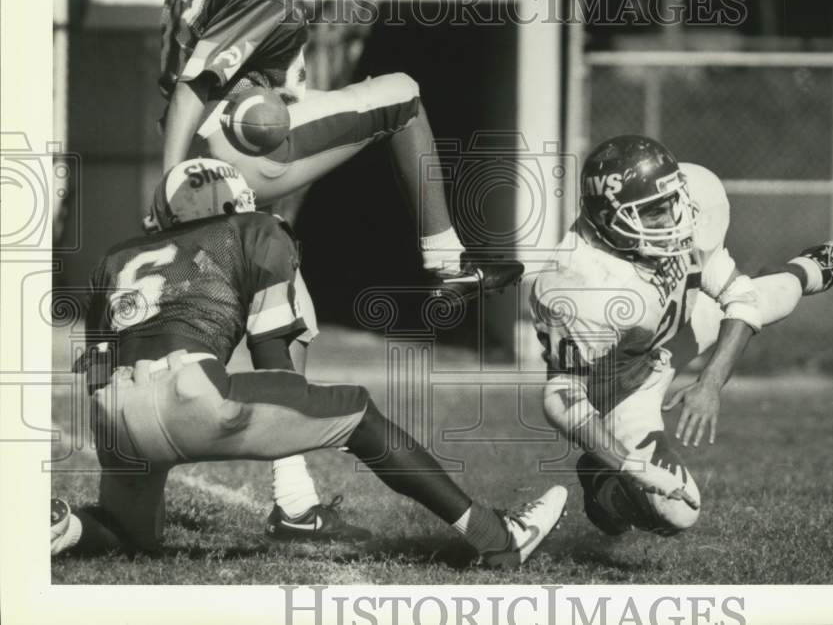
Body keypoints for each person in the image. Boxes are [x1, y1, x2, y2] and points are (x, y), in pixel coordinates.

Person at [157, 0, 521, 539]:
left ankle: (293, 504)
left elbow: (193, 65)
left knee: (284, 313)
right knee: (402, 95)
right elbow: (197, 82)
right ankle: (448, 261)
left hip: (223, 138)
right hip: (240, 141)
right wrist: (173, 175)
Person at [51, 159, 566, 565]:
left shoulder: (114, 258)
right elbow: (271, 350)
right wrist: (293, 430)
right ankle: (497, 538)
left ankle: (60, 526)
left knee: (130, 534)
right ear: (238, 203)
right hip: (192, 393)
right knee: (359, 414)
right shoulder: (254, 230)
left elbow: (96, 365)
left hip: (113, 410)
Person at [530, 135, 833, 535]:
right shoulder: (578, 285)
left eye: (673, 202)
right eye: (652, 213)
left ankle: (819, 265)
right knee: (675, 513)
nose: (673, 219)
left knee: (770, 296)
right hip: (622, 385)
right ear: (607, 220)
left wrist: (710, 384)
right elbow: (562, 399)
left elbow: (736, 294)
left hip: (676, 324)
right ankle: (602, 481)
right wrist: (629, 467)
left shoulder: (693, 199)